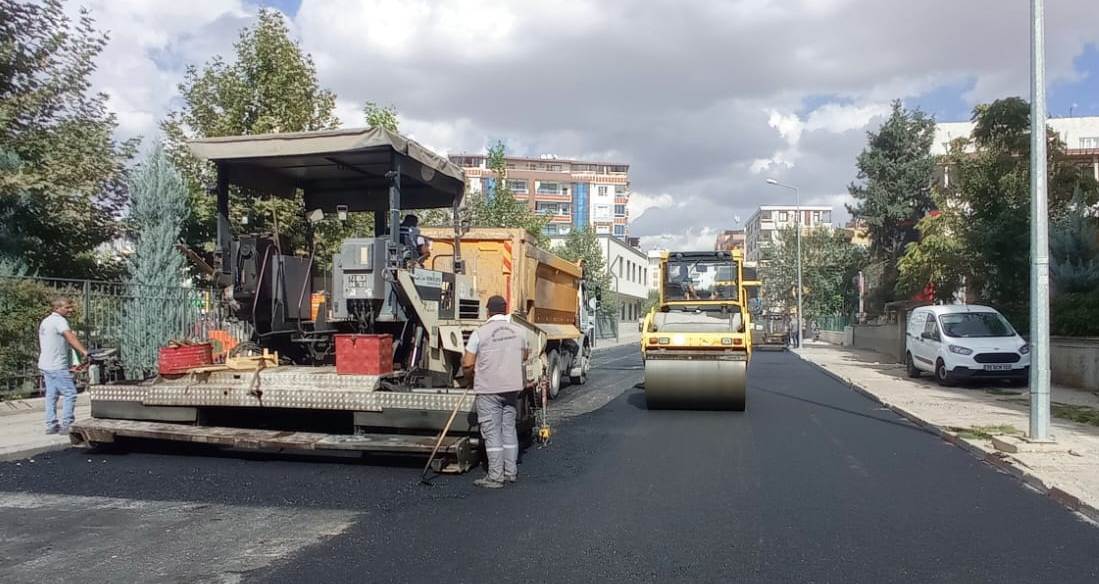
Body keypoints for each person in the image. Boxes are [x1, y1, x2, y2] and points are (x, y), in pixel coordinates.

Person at [461, 295, 529, 489]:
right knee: (508, 429)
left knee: (492, 432)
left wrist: (470, 379)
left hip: (488, 389)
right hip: (511, 389)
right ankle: (510, 472)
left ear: (488, 311)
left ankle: (495, 477)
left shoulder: (479, 334)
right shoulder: (520, 332)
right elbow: (524, 355)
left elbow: (468, 363)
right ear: (506, 310)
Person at [38, 297, 88, 435]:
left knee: (51, 395)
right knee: (70, 393)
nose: (70, 310)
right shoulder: (60, 321)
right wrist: (84, 351)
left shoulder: (46, 321)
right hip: (57, 365)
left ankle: (51, 424)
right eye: (67, 307)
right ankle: (67, 424)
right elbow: (69, 336)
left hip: (46, 363)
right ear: (57, 308)